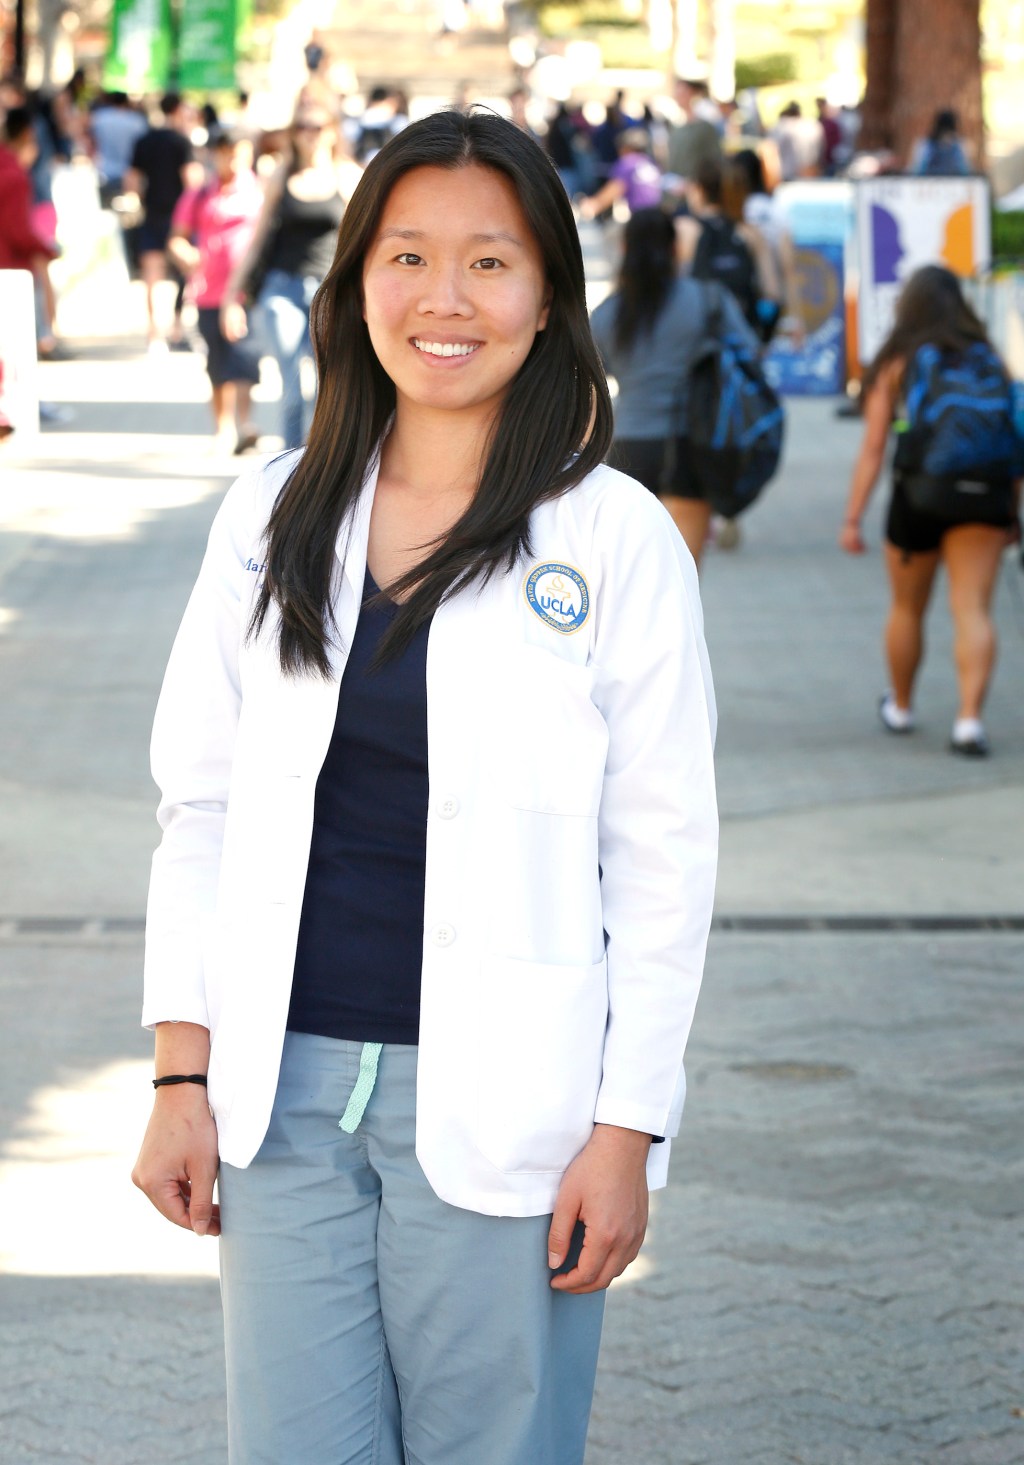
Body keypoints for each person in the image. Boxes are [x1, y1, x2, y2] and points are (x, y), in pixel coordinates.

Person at [132, 107, 718, 1465]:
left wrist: (631, 1126)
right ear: (354, 285)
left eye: (490, 263)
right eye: (406, 257)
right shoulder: (273, 513)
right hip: (280, 1102)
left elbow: (665, 857)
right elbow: (199, 806)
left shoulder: (612, 537)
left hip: (517, 1099)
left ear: (550, 297)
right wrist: (181, 1069)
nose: (444, 300)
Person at [839, 266, 1019, 756]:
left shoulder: (899, 358)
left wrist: (853, 518)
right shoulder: (989, 359)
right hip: (984, 497)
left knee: (906, 608)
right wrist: (1012, 512)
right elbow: (1012, 439)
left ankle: (900, 705)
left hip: (920, 495)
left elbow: (875, 447)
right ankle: (968, 721)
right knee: (973, 609)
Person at [590, 205, 759, 568]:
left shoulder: (607, 314)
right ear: (675, 249)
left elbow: (589, 373)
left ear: (624, 249)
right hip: (691, 444)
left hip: (629, 446)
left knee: (632, 578)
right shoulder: (707, 300)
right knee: (683, 577)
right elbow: (749, 352)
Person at [221, 103, 362, 450]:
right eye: (301, 127)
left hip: (329, 290)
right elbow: (257, 238)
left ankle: (322, 459)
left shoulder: (347, 176)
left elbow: (365, 237)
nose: (308, 135)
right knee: (291, 382)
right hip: (281, 286)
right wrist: (231, 296)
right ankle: (291, 462)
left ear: (331, 131)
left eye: (316, 127)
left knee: (327, 382)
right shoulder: (281, 175)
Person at [168, 128, 264, 452]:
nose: (234, 161)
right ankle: (223, 428)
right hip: (209, 291)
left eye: (240, 153)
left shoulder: (261, 190)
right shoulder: (199, 195)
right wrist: (186, 254)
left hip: (248, 292)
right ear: (216, 154)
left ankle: (246, 423)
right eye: (227, 153)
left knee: (246, 358)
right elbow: (177, 237)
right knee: (217, 363)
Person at [125, 93, 200, 351]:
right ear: (178, 110)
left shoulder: (144, 140)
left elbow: (132, 181)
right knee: (185, 273)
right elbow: (192, 181)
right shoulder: (182, 142)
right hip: (179, 219)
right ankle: (177, 328)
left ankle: (155, 334)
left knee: (152, 276)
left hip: (152, 214)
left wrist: (140, 201)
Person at [578, 126, 663, 222]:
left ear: (626, 148)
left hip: (641, 219)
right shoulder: (649, 162)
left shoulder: (627, 163)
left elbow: (615, 189)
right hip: (658, 216)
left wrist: (593, 205)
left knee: (610, 234)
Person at [909, 108, 971, 177]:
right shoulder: (926, 146)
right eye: (944, 134)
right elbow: (916, 170)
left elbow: (966, 172)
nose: (946, 139)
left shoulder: (959, 146)